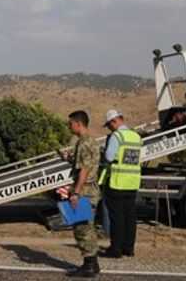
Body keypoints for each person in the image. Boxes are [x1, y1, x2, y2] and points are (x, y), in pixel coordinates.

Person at [99, 109, 143, 259]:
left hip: (117, 182)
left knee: (117, 217)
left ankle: (115, 249)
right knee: (130, 217)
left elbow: (110, 157)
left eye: (109, 125)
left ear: (113, 121)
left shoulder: (116, 136)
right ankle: (128, 248)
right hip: (132, 183)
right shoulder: (136, 137)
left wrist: (104, 154)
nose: (109, 128)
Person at [64, 110, 102, 277]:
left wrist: (76, 193)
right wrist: (68, 159)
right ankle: (93, 264)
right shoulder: (90, 142)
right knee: (88, 228)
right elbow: (84, 165)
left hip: (84, 191)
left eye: (70, 123)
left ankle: (88, 266)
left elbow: (85, 170)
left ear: (78, 124)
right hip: (90, 190)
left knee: (82, 229)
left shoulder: (84, 143)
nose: (69, 126)